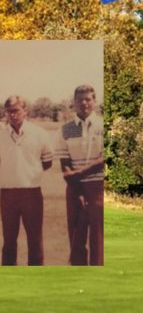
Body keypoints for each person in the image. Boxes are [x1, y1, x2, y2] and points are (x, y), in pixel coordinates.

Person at [0, 96, 53, 266]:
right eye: (9, 111)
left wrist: (28, 173)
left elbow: (47, 162)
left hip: (31, 192)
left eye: (16, 110)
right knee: (9, 241)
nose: (12, 114)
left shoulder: (39, 134)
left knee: (34, 240)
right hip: (8, 193)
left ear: (25, 111)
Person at [55, 85, 104, 265]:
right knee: (76, 238)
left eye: (87, 99)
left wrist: (81, 172)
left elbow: (105, 159)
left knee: (98, 239)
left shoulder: (105, 126)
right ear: (74, 103)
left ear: (94, 101)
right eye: (79, 100)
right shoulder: (65, 130)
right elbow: (65, 165)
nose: (83, 103)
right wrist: (79, 191)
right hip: (74, 189)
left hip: (98, 188)